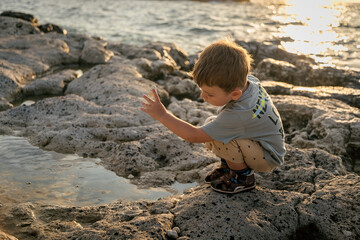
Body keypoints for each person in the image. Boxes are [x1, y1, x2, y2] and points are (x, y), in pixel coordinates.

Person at [141, 39, 285, 194]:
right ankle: (228, 169)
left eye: (209, 94)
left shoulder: (238, 115)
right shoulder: (249, 81)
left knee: (222, 138)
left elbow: (193, 136)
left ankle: (242, 178)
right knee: (213, 125)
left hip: (268, 157)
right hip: (265, 144)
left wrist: (162, 115)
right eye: (201, 90)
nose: (203, 97)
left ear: (235, 94)